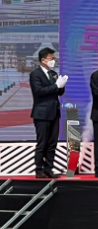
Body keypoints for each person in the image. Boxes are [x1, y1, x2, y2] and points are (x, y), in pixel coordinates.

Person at [29, 47, 67, 179]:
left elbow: (59, 92)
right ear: (43, 60)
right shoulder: (35, 74)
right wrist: (56, 86)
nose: (54, 60)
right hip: (41, 113)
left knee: (52, 143)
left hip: (54, 112)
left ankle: (48, 169)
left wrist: (62, 85)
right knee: (42, 143)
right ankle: (39, 169)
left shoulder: (53, 73)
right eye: (51, 58)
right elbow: (39, 91)